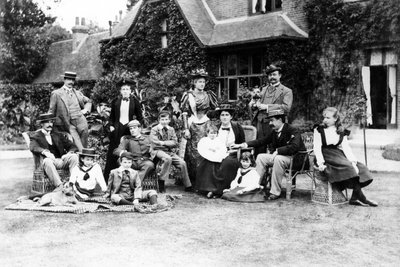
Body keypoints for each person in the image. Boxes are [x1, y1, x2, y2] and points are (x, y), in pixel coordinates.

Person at [232, 108, 305, 200]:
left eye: (272, 120)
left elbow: (295, 146)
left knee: (278, 159)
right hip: (280, 157)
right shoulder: (274, 131)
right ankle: (254, 186)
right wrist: (244, 144)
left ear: (280, 120)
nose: (270, 123)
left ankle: (275, 192)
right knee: (261, 157)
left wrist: (278, 151)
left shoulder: (293, 130)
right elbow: (262, 141)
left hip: (296, 159)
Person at [314, 107, 377, 207]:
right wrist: (320, 163)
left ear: (335, 119)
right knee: (349, 168)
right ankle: (361, 198)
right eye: (324, 117)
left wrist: (353, 162)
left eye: (328, 118)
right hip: (325, 155)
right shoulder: (319, 130)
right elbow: (316, 147)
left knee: (362, 168)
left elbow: (346, 148)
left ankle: (355, 197)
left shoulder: (341, 130)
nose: (325, 120)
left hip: (338, 154)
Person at [181, 68, 218, 183]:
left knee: (207, 149)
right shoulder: (188, 96)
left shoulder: (209, 95)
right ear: (194, 83)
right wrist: (186, 129)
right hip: (193, 125)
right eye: (199, 82)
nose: (202, 84)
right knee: (193, 152)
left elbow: (215, 110)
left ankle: (206, 179)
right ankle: (194, 179)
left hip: (206, 125)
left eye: (203, 82)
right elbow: (184, 113)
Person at [104, 77, 143, 181]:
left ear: (130, 91)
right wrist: (111, 126)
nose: (125, 91)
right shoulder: (115, 101)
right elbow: (111, 117)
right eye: (123, 89)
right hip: (117, 129)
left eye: (127, 89)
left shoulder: (135, 101)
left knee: (127, 151)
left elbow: (140, 118)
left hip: (128, 129)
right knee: (114, 151)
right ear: (120, 91)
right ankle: (109, 178)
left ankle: (127, 178)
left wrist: (136, 127)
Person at [29, 113, 79, 190]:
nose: (50, 124)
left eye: (51, 122)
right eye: (47, 122)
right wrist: (45, 152)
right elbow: (33, 147)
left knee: (74, 157)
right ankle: (59, 186)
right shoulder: (36, 136)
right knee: (47, 160)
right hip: (47, 162)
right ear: (41, 124)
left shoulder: (58, 135)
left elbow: (73, 146)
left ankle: (73, 184)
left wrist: (68, 153)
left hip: (61, 161)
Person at [250, 65, 293, 155]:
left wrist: (267, 107)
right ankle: (259, 167)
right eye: (270, 75)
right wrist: (254, 105)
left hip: (276, 123)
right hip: (260, 122)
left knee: (274, 148)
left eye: (274, 74)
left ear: (279, 75)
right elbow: (257, 104)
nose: (272, 77)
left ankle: (274, 167)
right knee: (259, 147)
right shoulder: (263, 89)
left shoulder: (286, 91)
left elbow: (286, 108)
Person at [150, 111, 193, 193]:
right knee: (168, 159)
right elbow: (155, 142)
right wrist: (167, 144)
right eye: (162, 119)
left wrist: (163, 143)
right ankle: (161, 181)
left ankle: (188, 185)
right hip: (157, 151)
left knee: (182, 163)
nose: (164, 121)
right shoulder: (154, 129)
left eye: (166, 119)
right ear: (159, 120)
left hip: (169, 151)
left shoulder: (171, 129)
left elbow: (175, 142)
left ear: (169, 120)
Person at [48, 71, 92, 151]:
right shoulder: (56, 94)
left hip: (81, 120)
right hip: (68, 123)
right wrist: (48, 124)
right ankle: (82, 159)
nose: (71, 82)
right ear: (64, 80)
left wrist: (85, 110)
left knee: (84, 144)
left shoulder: (78, 93)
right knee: (78, 145)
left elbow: (88, 101)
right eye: (69, 79)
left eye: (73, 80)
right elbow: (51, 111)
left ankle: (83, 160)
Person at [211, 104, 246, 198]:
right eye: (222, 115)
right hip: (218, 152)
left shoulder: (237, 127)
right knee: (208, 162)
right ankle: (209, 188)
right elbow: (211, 141)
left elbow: (243, 142)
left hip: (233, 153)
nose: (224, 117)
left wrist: (237, 148)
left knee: (227, 163)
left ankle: (220, 191)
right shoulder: (216, 127)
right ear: (219, 117)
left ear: (231, 116)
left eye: (227, 115)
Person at [196, 124, 228, 198]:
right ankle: (204, 188)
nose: (213, 135)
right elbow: (202, 150)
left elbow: (222, 150)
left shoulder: (219, 141)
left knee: (216, 170)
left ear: (217, 134)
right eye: (211, 133)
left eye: (215, 133)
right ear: (207, 133)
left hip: (217, 160)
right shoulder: (204, 140)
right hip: (207, 159)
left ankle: (213, 190)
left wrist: (217, 155)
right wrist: (210, 152)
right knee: (205, 168)